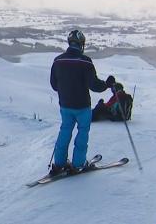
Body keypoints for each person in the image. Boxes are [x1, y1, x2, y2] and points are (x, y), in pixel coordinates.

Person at [49, 30, 115, 175]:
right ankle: (78, 163)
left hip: (65, 105)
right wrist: (107, 84)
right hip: (82, 106)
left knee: (65, 130)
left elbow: (54, 85)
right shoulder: (85, 62)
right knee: (82, 132)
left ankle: (59, 163)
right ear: (81, 44)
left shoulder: (58, 61)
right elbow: (94, 85)